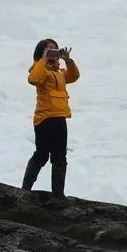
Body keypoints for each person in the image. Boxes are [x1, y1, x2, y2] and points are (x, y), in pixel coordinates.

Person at [21, 38, 80, 199]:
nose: (53, 53)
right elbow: (33, 79)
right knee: (41, 155)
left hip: (60, 117)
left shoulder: (59, 73)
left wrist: (68, 60)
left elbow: (74, 76)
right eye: (49, 50)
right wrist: (43, 59)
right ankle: (25, 189)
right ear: (41, 53)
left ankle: (58, 195)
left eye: (55, 50)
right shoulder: (40, 70)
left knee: (60, 157)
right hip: (45, 119)